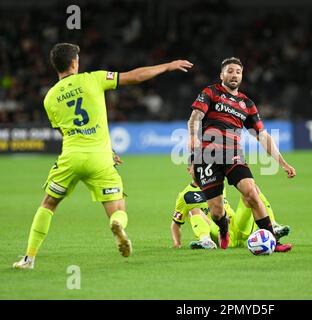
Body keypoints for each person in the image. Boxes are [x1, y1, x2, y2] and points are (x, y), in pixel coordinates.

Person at [13, 43, 193, 269]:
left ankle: (29, 258)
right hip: (100, 158)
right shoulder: (92, 79)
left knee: (48, 204)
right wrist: (167, 66)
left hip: (71, 157)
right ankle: (117, 226)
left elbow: (64, 132)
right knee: (117, 210)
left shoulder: (49, 98)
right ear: (74, 63)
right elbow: (135, 76)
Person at [187, 57, 295, 252]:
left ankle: (273, 241)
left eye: (238, 71)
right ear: (222, 75)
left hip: (234, 154)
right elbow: (195, 117)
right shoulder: (210, 92)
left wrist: (282, 162)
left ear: (242, 75)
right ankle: (223, 228)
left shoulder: (247, 103)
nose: (234, 74)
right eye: (230, 71)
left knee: (252, 193)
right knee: (217, 212)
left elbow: (262, 135)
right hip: (207, 156)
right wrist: (193, 148)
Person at [171, 162, 291, 249]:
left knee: (251, 191)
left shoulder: (216, 181)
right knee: (194, 211)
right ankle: (205, 240)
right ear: (189, 170)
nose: (199, 170)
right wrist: (177, 243)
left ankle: (273, 226)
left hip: (237, 225)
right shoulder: (185, 195)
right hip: (219, 232)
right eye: (195, 168)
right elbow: (176, 224)